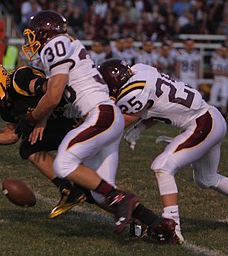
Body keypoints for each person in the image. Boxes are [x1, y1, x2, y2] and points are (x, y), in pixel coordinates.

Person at [20, 10, 180, 242]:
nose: (31, 41)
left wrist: (31, 118)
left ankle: (121, 197)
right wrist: (41, 119)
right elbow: (58, 94)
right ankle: (158, 225)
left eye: (33, 34)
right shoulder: (67, 45)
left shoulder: (56, 44)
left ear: (45, 33)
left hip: (100, 114)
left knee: (64, 165)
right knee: (99, 191)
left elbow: (53, 95)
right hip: (109, 117)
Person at [98, 58, 228, 243]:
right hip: (211, 117)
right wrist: (140, 129)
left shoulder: (132, 92)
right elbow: (158, 104)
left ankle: (173, 227)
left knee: (163, 166)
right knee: (206, 178)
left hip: (203, 123)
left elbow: (119, 123)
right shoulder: (140, 70)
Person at [0, 63, 87, 219]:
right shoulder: (7, 107)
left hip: (74, 115)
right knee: (29, 147)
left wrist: (41, 120)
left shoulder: (20, 80)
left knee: (92, 189)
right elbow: (11, 134)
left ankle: (123, 206)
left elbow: (53, 92)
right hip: (61, 125)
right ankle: (68, 190)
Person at [209, 43, 228, 118]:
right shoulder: (216, 58)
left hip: (226, 80)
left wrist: (220, 72)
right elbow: (214, 71)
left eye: (225, 51)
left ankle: (223, 116)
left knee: (224, 96)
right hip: (217, 80)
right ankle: (211, 116)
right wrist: (224, 73)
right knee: (213, 96)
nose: (224, 53)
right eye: (222, 51)